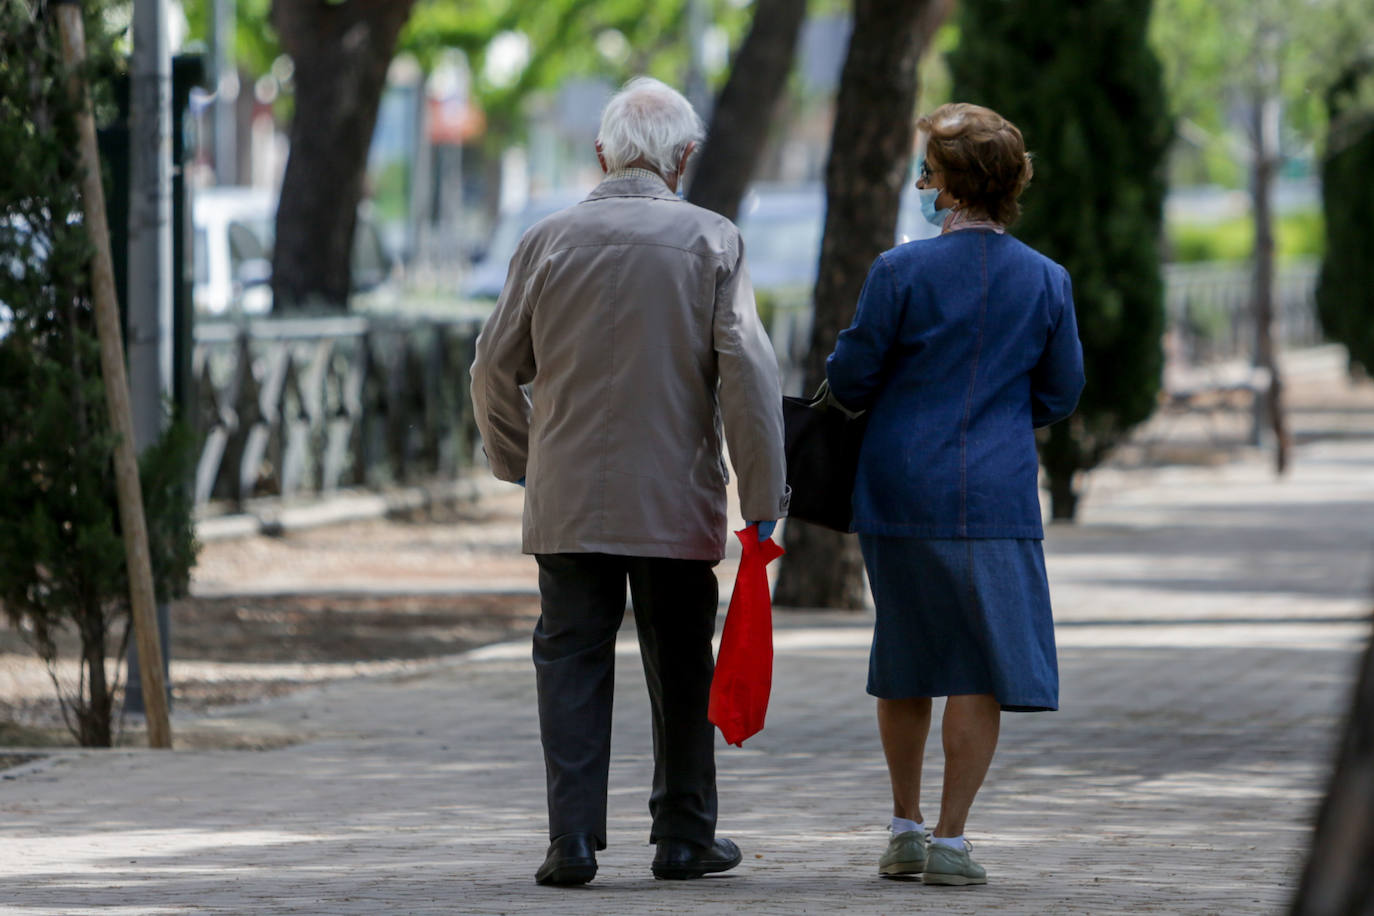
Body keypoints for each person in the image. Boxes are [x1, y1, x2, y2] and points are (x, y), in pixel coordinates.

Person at [470, 76, 789, 887]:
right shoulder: (713, 241)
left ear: (602, 152)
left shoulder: (544, 242)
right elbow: (748, 380)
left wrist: (522, 462)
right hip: (674, 499)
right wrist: (762, 502)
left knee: (570, 656)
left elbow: (490, 371)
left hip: (568, 498)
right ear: (683, 159)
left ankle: (570, 840)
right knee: (680, 660)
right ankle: (683, 835)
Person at [824, 102, 1085, 887]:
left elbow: (849, 378)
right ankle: (951, 840)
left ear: (950, 185)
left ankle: (903, 828)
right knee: (978, 664)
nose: (920, 182)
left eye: (928, 171)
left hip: (901, 485)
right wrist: (1003, 416)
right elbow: (1063, 391)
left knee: (904, 655)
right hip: (997, 493)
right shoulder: (1047, 279)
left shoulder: (898, 271)